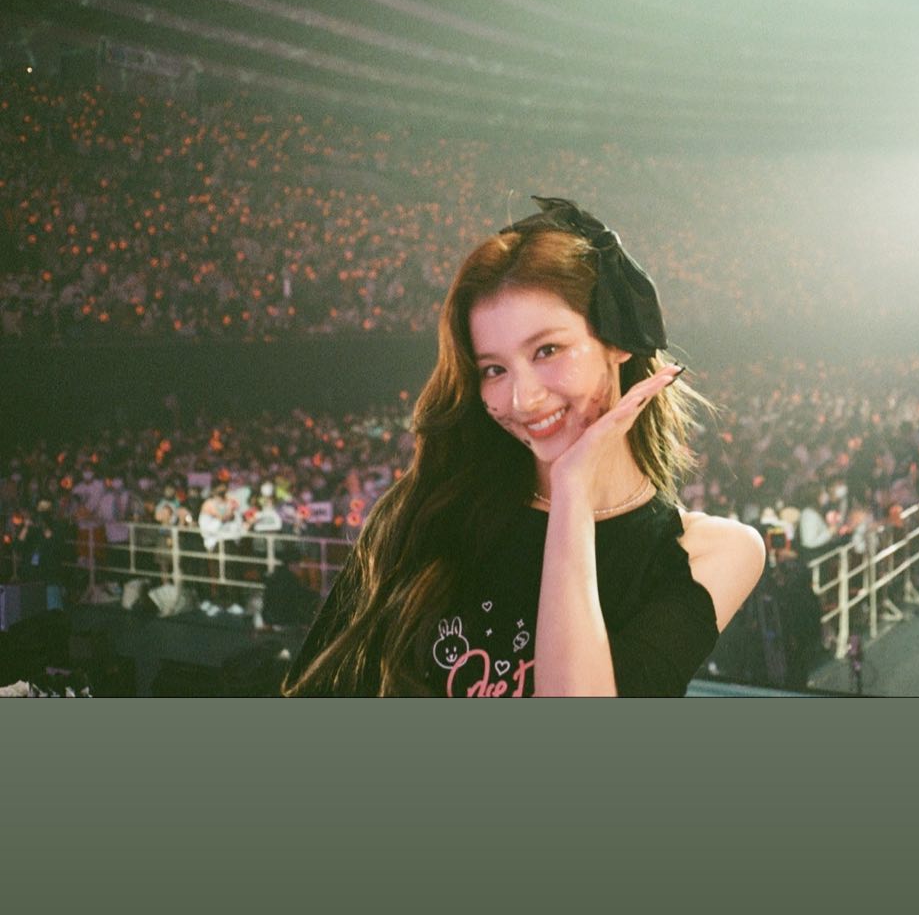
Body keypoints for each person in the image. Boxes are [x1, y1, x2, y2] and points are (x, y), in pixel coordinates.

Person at [284, 196, 765, 697]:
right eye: (494, 369)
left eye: (547, 350)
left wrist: (572, 490)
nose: (522, 399)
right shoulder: (425, 512)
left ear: (619, 339)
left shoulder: (709, 553)